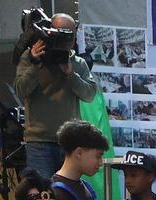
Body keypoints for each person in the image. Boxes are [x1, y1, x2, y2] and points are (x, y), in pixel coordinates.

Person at [14, 13, 98, 178]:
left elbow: (89, 95)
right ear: (49, 32)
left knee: (66, 195)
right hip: (39, 141)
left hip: (70, 142)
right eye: (60, 33)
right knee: (43, 193)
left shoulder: (78, 63)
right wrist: (35, 64)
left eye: (70, 35)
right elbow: (20, 90)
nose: (66, 40)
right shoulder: (30, 57)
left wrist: (71, 75)